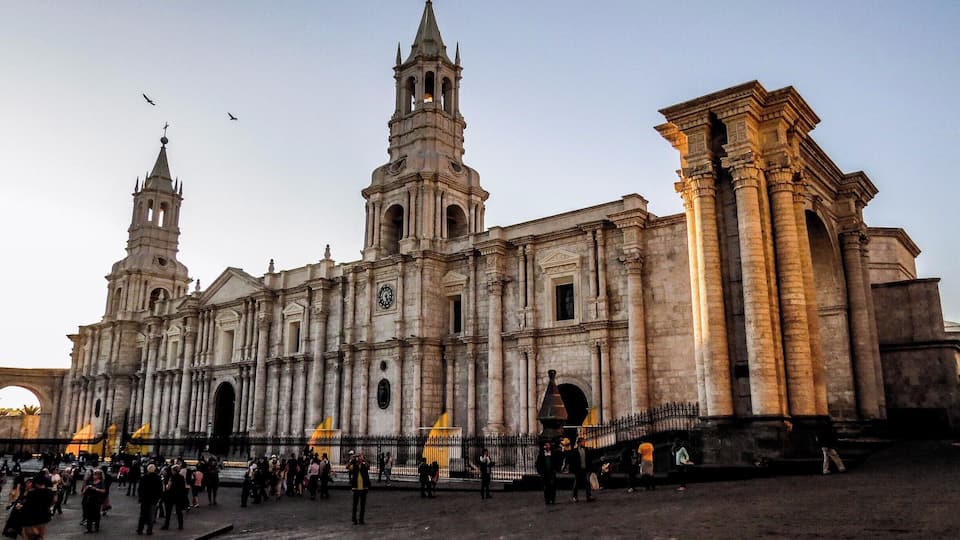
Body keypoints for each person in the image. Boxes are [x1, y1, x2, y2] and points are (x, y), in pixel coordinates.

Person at [16, 475, 54, 540]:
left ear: (36, 483)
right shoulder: (50, 492)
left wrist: (20, 507)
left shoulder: (32, 493)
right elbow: (52, 503)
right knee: (40, 537)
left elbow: (27, 507)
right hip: (43, 519)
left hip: (31, 520)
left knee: (28, 537)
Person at [136, 464, 163, 535]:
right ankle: (149, 530)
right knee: (151, 515)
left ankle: (140, 529)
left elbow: (140, 489)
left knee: (142, 515)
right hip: (153, 499)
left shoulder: (144, 477)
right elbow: (160, 490)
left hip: (145, 499)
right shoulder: (157, 478)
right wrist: (158, 498)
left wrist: (140, 497)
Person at [160, 465, 187, 531]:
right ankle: (180, 525)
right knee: (179, 512)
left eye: (172, 470)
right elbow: (183, 487)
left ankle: (166, 525)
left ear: (174, 471)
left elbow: (168, 487)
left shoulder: (171, 477)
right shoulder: (181, 477)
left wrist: (166, 486)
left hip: (170, 496)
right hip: (178, 496)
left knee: (168, 512)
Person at [566, 438, 594, 502]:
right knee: (577, 483)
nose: (584, 443)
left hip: (585, 469)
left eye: (584, 442)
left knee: (587, 482)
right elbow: (572, 461)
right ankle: (574, 496)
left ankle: (588, 496)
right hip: (578, 469)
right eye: (582, 442)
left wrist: (590, 468)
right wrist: (573, 469)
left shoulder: (586, 450)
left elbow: (589, 459)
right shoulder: (575, 451)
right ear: (579, 443)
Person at [347, 452, 371, 525]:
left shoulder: (364, 465)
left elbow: (369, 466)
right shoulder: (354, 465)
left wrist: (364, 460)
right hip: (356, 488)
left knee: (362, 505)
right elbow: (347, 467)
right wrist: (352, 459)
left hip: (364, 487)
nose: (360, 458)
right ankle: (354, 519)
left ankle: (361, 519)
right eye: (359, 457)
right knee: (355, 505)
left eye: (361, 457)